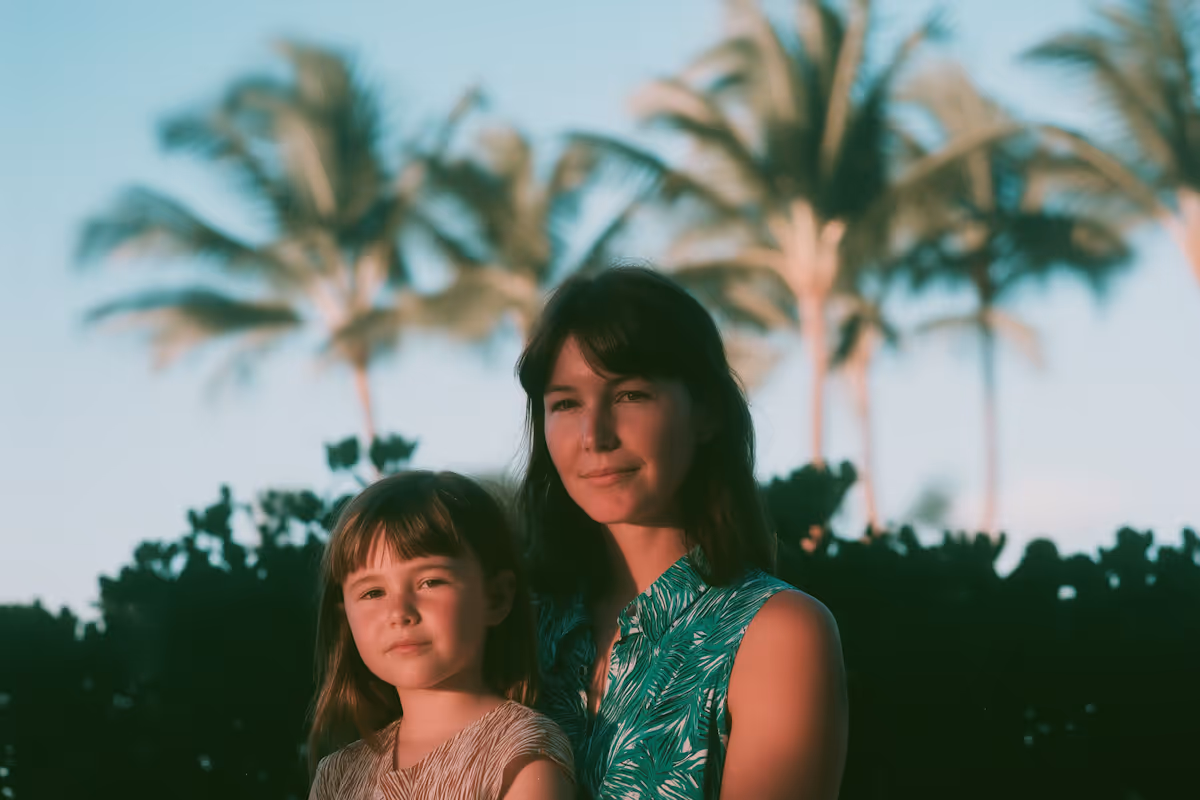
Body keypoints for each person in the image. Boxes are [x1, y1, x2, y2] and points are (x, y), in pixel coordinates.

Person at [516, 266, 849, 799]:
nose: (594, 436)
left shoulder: (776, 633)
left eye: (629, 395)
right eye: (566, 403)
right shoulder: (516, 625)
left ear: (707, 413)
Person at [307, 471, 575, 800]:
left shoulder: (519, 752)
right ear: (346, 618)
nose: (399, 612)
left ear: (496, 598)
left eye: (430, 582)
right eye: (374, 592)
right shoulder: (338, 774)